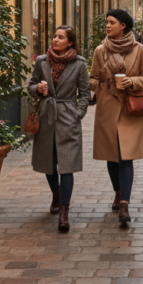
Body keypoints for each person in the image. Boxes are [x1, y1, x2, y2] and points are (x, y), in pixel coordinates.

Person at [90, 9, 143, 225]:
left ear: (123, 25)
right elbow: (91, 79)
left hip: (130, 109)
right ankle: (117, 192)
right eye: (107, 22)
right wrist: (103, 83)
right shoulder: (101, 50)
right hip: (107, 108)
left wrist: (132, 82)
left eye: (112, 22)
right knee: (111, 156)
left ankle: (124, 203)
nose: (107, 26)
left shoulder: (140, 50)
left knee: (126, 156)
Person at [27, 26, 90, 232]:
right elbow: (30, 85)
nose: (55, 39)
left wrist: (78, 113)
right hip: (46, 116)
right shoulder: (42, 61)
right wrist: (38, 88)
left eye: (60, 37)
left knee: (67, 165)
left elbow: (85, 93)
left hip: (68, 117)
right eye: (54, 36)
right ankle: (56, 193)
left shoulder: (79, 64)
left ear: (70, 42)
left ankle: (64, 210)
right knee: (49, 162)